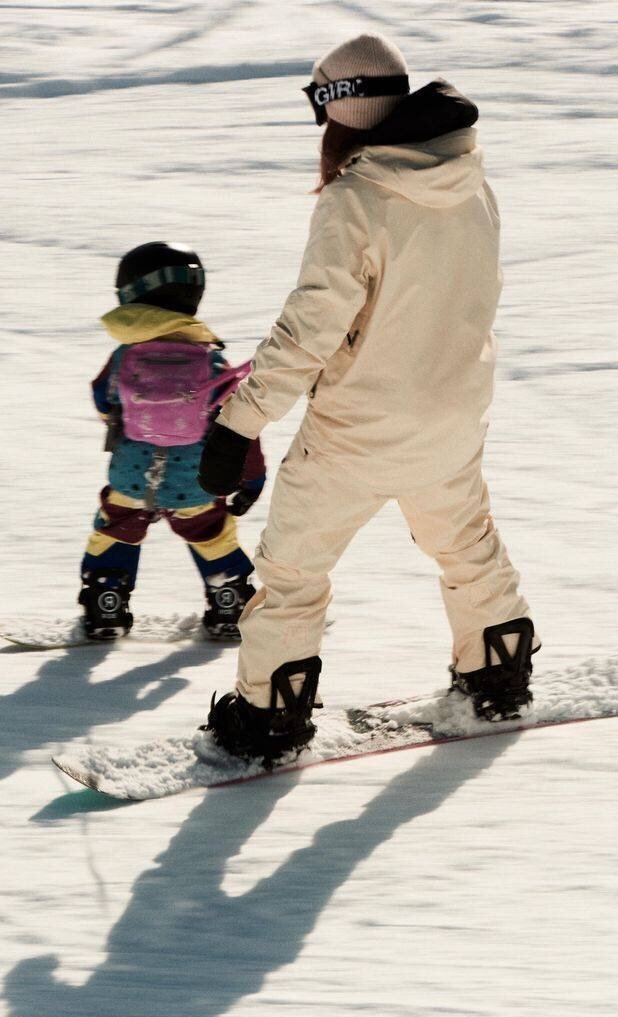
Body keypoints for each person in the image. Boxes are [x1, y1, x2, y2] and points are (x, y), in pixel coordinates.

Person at [198, 33, 540, 764]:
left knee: (293, 568)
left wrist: (239, 424)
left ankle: (270, 715)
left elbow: (307, 331)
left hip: (356, 431)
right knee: (467, 547)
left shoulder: (357, 200)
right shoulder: (472, 181)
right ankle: (498, 672)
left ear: (343, 111)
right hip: (451, 416)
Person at [79, 241, 266, 641]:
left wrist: (130, 423)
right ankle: (229, 601)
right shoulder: (211, 362)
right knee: (212, 534)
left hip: (130, 474)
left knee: (115, 528)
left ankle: (105, 603)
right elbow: (239, 423)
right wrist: (251, 479)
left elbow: (102, 398)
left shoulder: (124, 355)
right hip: (193, 481)